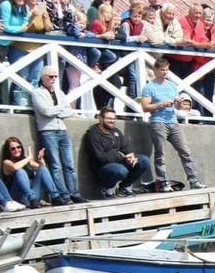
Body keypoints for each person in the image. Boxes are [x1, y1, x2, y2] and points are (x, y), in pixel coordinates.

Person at [141, 57, 205, 190]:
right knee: (160, 154)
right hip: (158, 122)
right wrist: (160, 104)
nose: (165, 72)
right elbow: (145, 107)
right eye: (162, 70)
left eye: (167, 70)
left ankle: (193, 180)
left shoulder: (172, 86)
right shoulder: (149, 87)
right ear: (156, 70)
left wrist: (178, 103)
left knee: (185, 151)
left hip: (173, 121)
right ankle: (163, 182)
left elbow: (177, 108)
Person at [31, 65, 84, 204]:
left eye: (55, 76)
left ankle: (74, 193)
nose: (54, 79)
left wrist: (58, 110)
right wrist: (61, 109)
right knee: (56, 165)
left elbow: (68, 111)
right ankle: (64, 195)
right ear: (43, 78)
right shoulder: (37, 93)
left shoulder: (59, 92)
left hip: (62, 130)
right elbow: (45, 111)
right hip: (48, 131)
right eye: (51, 76)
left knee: (69, 164)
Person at [86, 107, 151, 198]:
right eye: (109, 118)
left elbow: (126, 147)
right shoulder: (93, 134)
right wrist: (122, 158)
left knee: (144, 160)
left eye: (113, 118)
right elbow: (99, 157)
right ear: (100, 118)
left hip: (119, 162)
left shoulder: (116, 131)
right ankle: (107, 189)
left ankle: (125, 186)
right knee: (121, 170)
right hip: (103, 167)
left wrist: (131, 156)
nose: (112, 121)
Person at [0, 137, 58, 208]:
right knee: (20, 172)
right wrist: (28, 158)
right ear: (8, 151)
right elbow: (15, 167)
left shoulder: (26, 160)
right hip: (18, 199)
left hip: (32, 198)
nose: (17, 150)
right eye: (13, 148)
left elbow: (43, 169)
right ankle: (32, 199)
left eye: (18, 147)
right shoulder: (6, 162)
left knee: (43, 169)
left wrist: (40, 159)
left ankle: (55, 197)